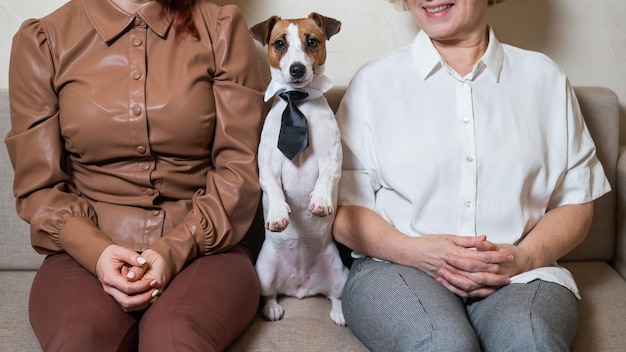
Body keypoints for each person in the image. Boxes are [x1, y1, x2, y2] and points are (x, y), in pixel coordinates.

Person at [333, 0, 611, 351]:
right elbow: (341, 210)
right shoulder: (373, 83)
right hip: (395, 268)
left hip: (523, 275)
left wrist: (522, 258)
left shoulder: (544, 79)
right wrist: (415, 251)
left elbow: (576, 203)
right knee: (442, 344)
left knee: (531, 342)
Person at [5, 0, 265, 350]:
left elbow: (239, 171)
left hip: (206, 249)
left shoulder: (221, 28)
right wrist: (98, 253)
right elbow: (38, 187)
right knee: (78, 339)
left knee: (175, 338)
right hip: (83, 253)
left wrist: (173, 251)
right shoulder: (43, 39)